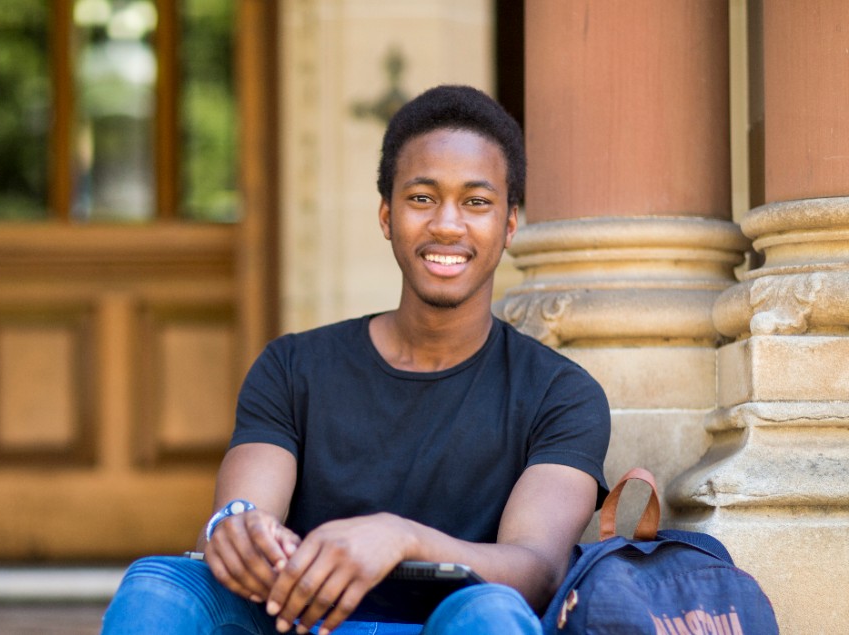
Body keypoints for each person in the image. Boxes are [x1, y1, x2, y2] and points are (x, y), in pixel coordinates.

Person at [101, 85, 610, 635]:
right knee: (159, 584)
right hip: (293, 620)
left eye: (476, 202)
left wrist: (401, 538)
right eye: (421, 198)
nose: (446, 224)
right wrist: (236, 530)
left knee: (493, 613)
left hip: (445, 626)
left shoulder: (561, 394)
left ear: (509, 225)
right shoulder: (292, 367)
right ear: (387, 216)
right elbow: (245, 511)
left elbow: (536, 569)